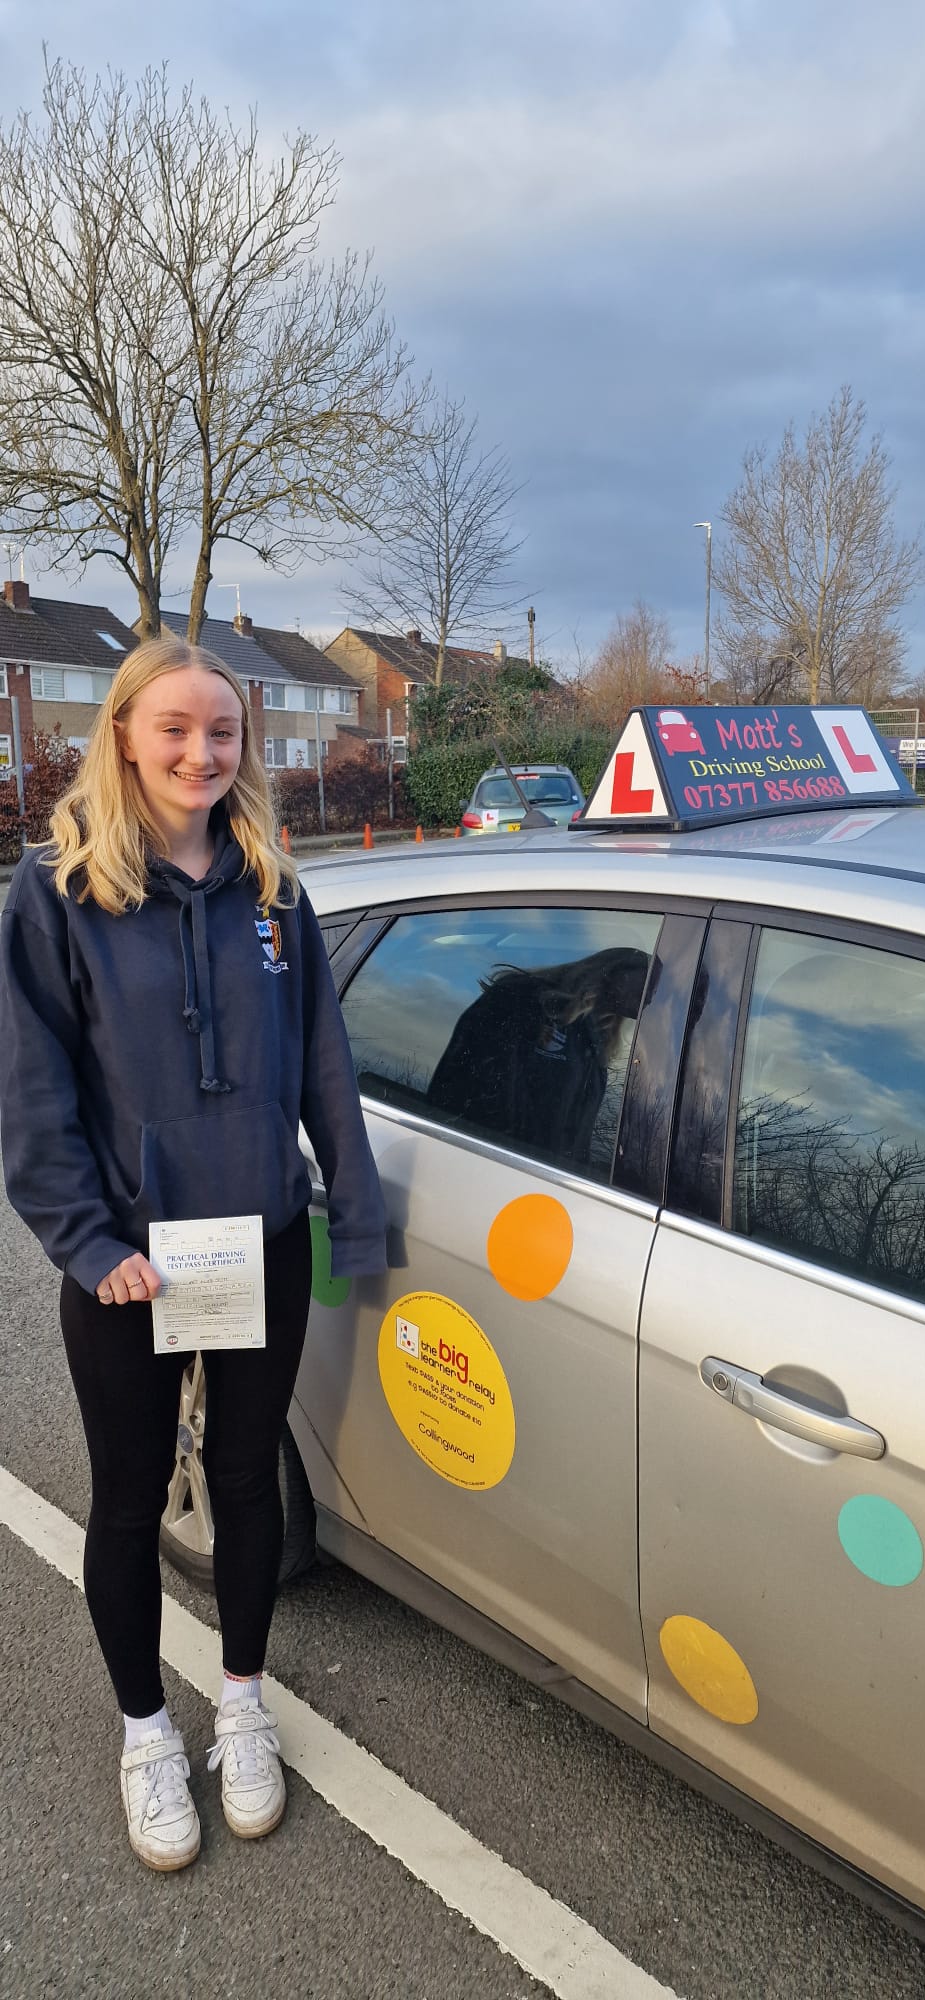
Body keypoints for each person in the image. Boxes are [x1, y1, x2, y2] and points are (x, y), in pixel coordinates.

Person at [0, 636, 386, 1872]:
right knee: (126, 1499)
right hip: (130, 1266)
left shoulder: (272, 886)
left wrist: (352, 1211)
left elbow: (324, 1062)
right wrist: (85, 1238)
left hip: (256, 1244)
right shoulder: (56, 891)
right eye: (173, 727)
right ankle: (146, 1731)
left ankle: (243, 1702)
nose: (200, 752)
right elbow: (32, 1089)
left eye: (221, 731)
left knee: (243, 1481)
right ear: (122, 733)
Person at [426, 946, 650, 1167]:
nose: (653, 992)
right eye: (649, 978)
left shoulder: (596, 1041)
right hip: (481, 1162)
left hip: (539, 1178)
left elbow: (575, 1134)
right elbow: (463, 1084)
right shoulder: (524, 999)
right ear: (615, 969)